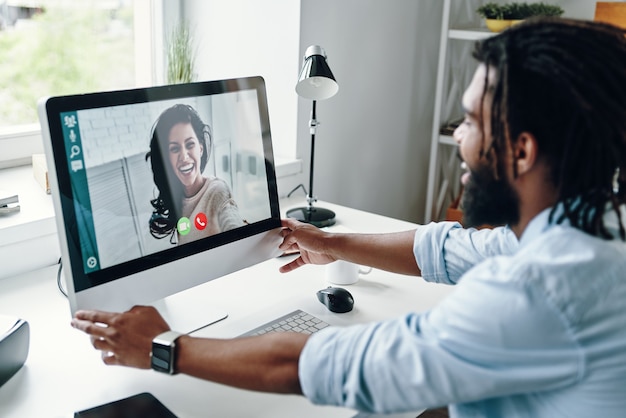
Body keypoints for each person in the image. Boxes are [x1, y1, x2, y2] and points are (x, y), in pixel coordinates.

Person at [71, 18, 626, 417]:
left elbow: (324, 365)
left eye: (473, 122)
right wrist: (330, 243)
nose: (457, 136)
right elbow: (446, 249)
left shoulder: (541, 290)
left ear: (523, 151)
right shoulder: (584, 229)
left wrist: (164, 348)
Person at [146, 103, 245, 244]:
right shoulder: (178, 199)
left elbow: (233, 225)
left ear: (201, 148)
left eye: (190, 145)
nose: (184, 157)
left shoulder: (217, 191)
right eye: (174, 149)